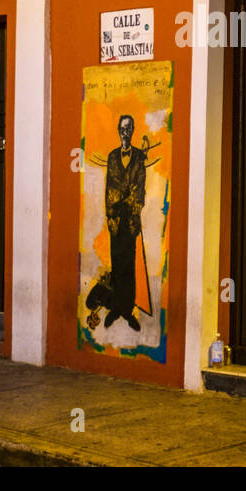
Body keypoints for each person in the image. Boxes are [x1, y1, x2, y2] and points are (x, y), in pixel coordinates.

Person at [104, 115, 145, 331]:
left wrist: (128, 203)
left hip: (130, 220)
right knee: (116, 262)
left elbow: (140, 189)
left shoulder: (139, 157)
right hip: (116, 220)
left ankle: (127, 310)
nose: (125, 132)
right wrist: (110, 215)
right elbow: (109, 187)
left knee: (129, 265)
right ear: (118, 130)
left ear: (133, 130)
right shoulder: (112, 157)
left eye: (129, 128)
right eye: (122, 128)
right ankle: (116, 308)